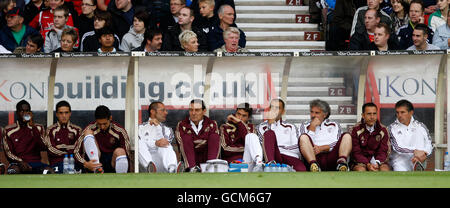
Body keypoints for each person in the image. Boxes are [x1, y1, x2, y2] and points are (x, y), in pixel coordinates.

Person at [298, 99, 352, 171]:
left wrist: (322, 148)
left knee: (347, 136)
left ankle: (342, 163)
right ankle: (314, 166)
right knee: (303, 137)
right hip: (313, 157)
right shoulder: (304, 125)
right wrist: (312, 127)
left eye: (317, 113)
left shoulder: (334, 125)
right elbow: (304, 144)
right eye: (311, 112)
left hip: (331, 156)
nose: (313, 115)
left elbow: (338, 142)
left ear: (325, 114)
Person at [74, 105, 131, 173]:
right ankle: (97, 169)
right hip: (94, 162)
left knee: (120, 151)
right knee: (88, 132)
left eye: (105, 124)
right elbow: (76, 151)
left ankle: (121, 180)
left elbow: (126, 153)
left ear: (110, 118)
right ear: (96, 120)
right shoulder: (90, 128)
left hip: (112, 163)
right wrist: (85, 164)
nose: (102, 127)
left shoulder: (119, 131)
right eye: (99, 124)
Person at [254, 98, 306, 172]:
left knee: (301, 170)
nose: (274, 110)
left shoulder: (291, 126)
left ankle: (283, 168)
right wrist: (270, 124)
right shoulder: (260, 127)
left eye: (277, 108)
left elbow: (296, 148)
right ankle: (271, 165)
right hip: (273, 156)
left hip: (289, 156)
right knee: (269, 133)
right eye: (272, 107)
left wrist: (281, 148)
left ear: (283, 111)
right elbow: (263, 146)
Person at [2, 100, 50, 174]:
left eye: (27, 111)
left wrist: (33, 127)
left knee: (49, 171)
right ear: (17, 113)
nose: (24, 114)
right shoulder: (9, 130)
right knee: (13, 171)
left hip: (36, 163)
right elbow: (8, 153)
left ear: (30, 113)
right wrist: (20, 161)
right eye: (22, 111)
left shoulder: (38, 128)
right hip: (17, 164)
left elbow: (44, 147)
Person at [175, 99, 220, 172]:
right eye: (191, 110)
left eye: (197, 110)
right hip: (190, 160)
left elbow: (215, 141)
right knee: (186, 138)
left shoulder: (212, 124)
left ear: (204, 111)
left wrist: (194, 142)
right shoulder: (182, 124)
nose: (193, 113)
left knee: (214, 137)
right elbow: (180, 142)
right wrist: (203, 141)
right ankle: (192, 168)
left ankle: (211, 167)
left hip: (206, 158)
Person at [138, 101, 183, 173]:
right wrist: (154, 143)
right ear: (152, 112)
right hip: (145, 164)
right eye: (162, 110)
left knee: (165, 144)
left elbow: (162, 143)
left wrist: (158, 127)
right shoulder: (140, 128)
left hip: (162, 163)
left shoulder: (168, 130)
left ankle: (172, 168)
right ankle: (150, 167)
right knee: (138, 143)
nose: (166, 113)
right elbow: (139, 144)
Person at [388, 99, 433, 171]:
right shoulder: (391, 128)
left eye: (402, 112)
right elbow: (397, 147)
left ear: (411, 112)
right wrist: (415, 151)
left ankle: (418, 165)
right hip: (399, 163)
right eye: (397, 112)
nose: (399, 115)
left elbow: (429, 144)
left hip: (418, 161)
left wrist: (425, 153)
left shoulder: (421, 126)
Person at [43, 101, 82, 173]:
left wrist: (61, 146)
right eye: (61, 113)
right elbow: (51, 149)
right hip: (57, 163)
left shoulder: (77, 130)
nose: (64, 116)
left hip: (74, 163)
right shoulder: (50, 130)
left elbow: (78, 149)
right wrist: (69, 151)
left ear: (70, 113)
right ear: (57, 114)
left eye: (66, 113)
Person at [350, 103, 390, 171]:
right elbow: (356, 152)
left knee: (384, 169)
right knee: (360, 170)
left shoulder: (383, 130)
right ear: (363, 115)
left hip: (379, 162)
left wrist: (377, 163)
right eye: (369, 114)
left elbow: (384, 151)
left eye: (374, 114)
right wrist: (367, 164)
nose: (372, 117)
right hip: (360, 162)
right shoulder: (355, 129)